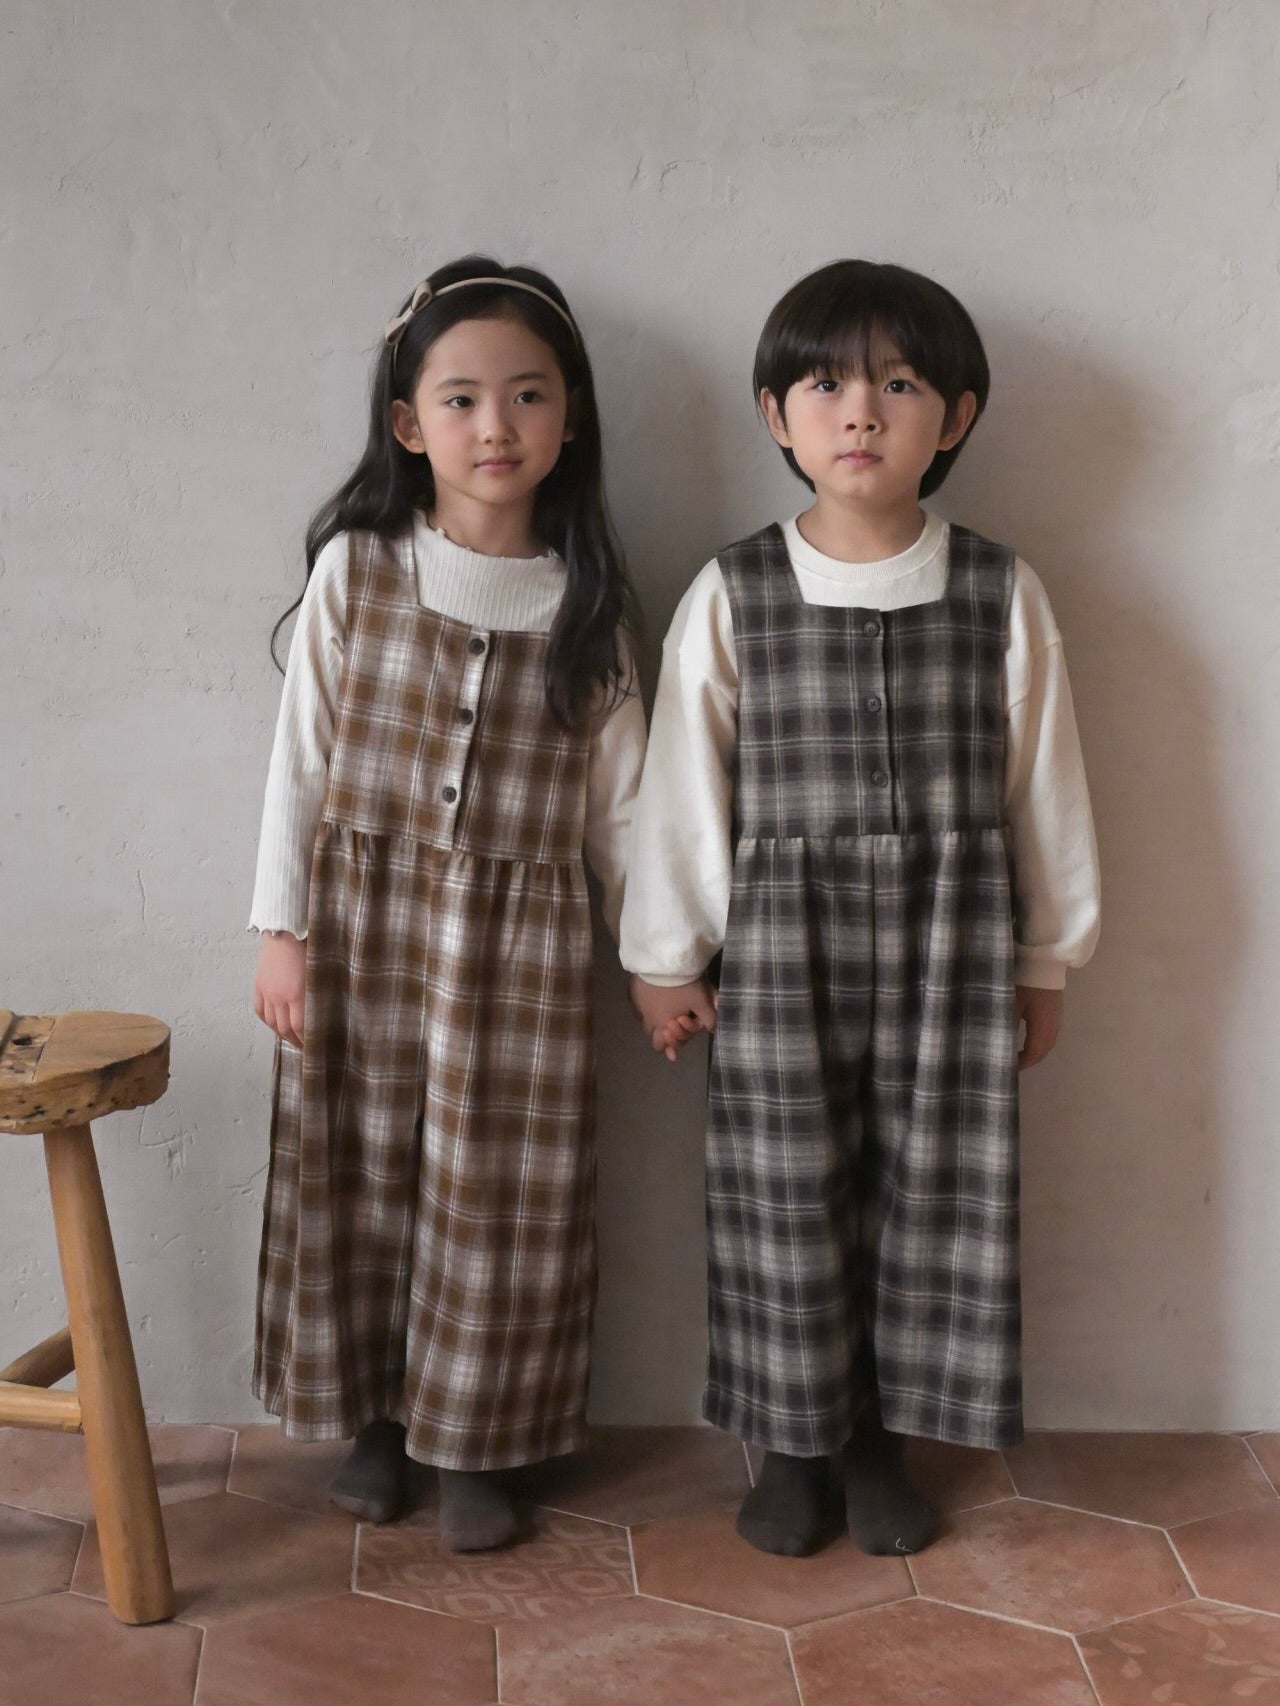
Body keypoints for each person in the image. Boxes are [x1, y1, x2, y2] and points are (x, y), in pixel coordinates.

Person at [622, 259, 1099, 1559]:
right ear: (774, 413)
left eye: (898, 383)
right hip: (782, 949)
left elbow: (1044, 781)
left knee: (933, 1191)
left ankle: (882, 1439)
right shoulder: (734, 590)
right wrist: (666, 955)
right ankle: (793, 1444)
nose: (862, 412)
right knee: (784, 1191)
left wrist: (1046, 956)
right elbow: (682, 786)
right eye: (827, 384)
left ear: (958, 415)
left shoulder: (1002, 590)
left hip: (955, 944)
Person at [250, 256, 645, 1551]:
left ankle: (478, 1440)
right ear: (409, 423)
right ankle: (374, 1419)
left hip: (522, 957)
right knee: (358, 1171)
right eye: (462, 398)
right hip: (363, 932)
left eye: (529, 395)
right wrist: (281, 931)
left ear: (570, 419)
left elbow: (624, 807)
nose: (497, 425)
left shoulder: (588, 605)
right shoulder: (359, 569)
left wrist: (658, 955)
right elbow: (300, 761)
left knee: (503, 1197)